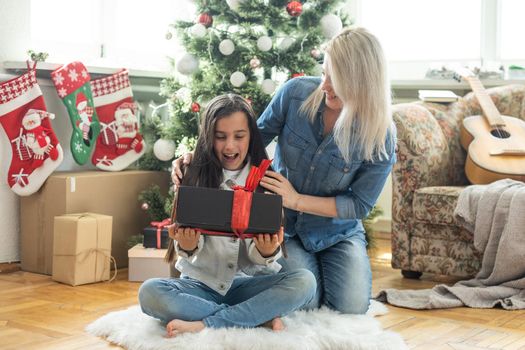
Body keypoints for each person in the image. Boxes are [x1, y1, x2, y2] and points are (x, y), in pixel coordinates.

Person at [172, 27, 396, 315]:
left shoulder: (381, 135)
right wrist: (197, 155)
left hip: (337, 233)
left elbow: (360, 204)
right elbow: (251, 141)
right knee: (305, 302)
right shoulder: (295, 94)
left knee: (351, 308)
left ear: (361, 83)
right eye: (324, 73)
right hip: (283, 228)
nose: (324, 85)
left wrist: (297, 200)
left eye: (335, 79)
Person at [139, 93, 316, 338]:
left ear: (251, 136)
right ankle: (253, 317)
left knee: (306, 282)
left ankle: (208, 323)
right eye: (220, 137)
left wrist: (265, 252)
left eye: (239, 136)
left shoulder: (267, 180)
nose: (230, 146)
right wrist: (188, 246)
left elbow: (266, 252)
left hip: (249, 284)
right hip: (201, 284)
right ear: (208, 137)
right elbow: (187, 245)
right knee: (150, 292)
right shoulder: (192, 174)